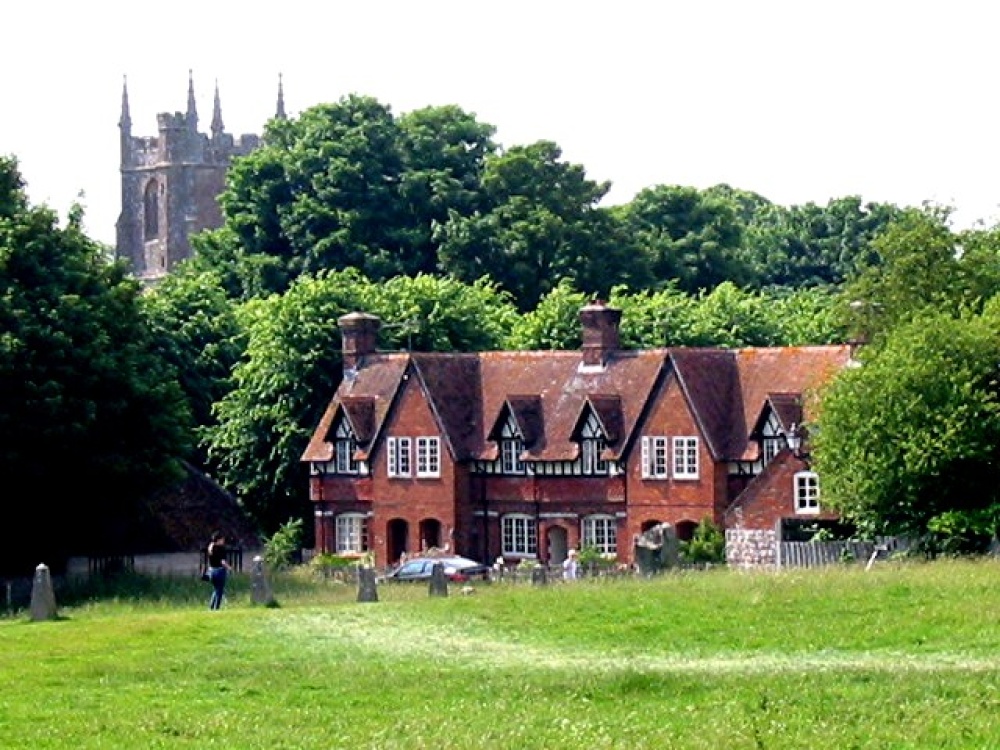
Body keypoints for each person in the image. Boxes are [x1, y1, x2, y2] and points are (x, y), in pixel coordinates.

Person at [206, 531, 232, 610]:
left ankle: (211, 608)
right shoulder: (221, 549)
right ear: (218, 540)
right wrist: (229, 567)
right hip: (219, 571)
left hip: (211, 571)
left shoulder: (210, 547)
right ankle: (216, 608)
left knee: (216, 590)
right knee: (219, 591)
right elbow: (222, 562)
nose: (223, 541)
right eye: (222, 539)